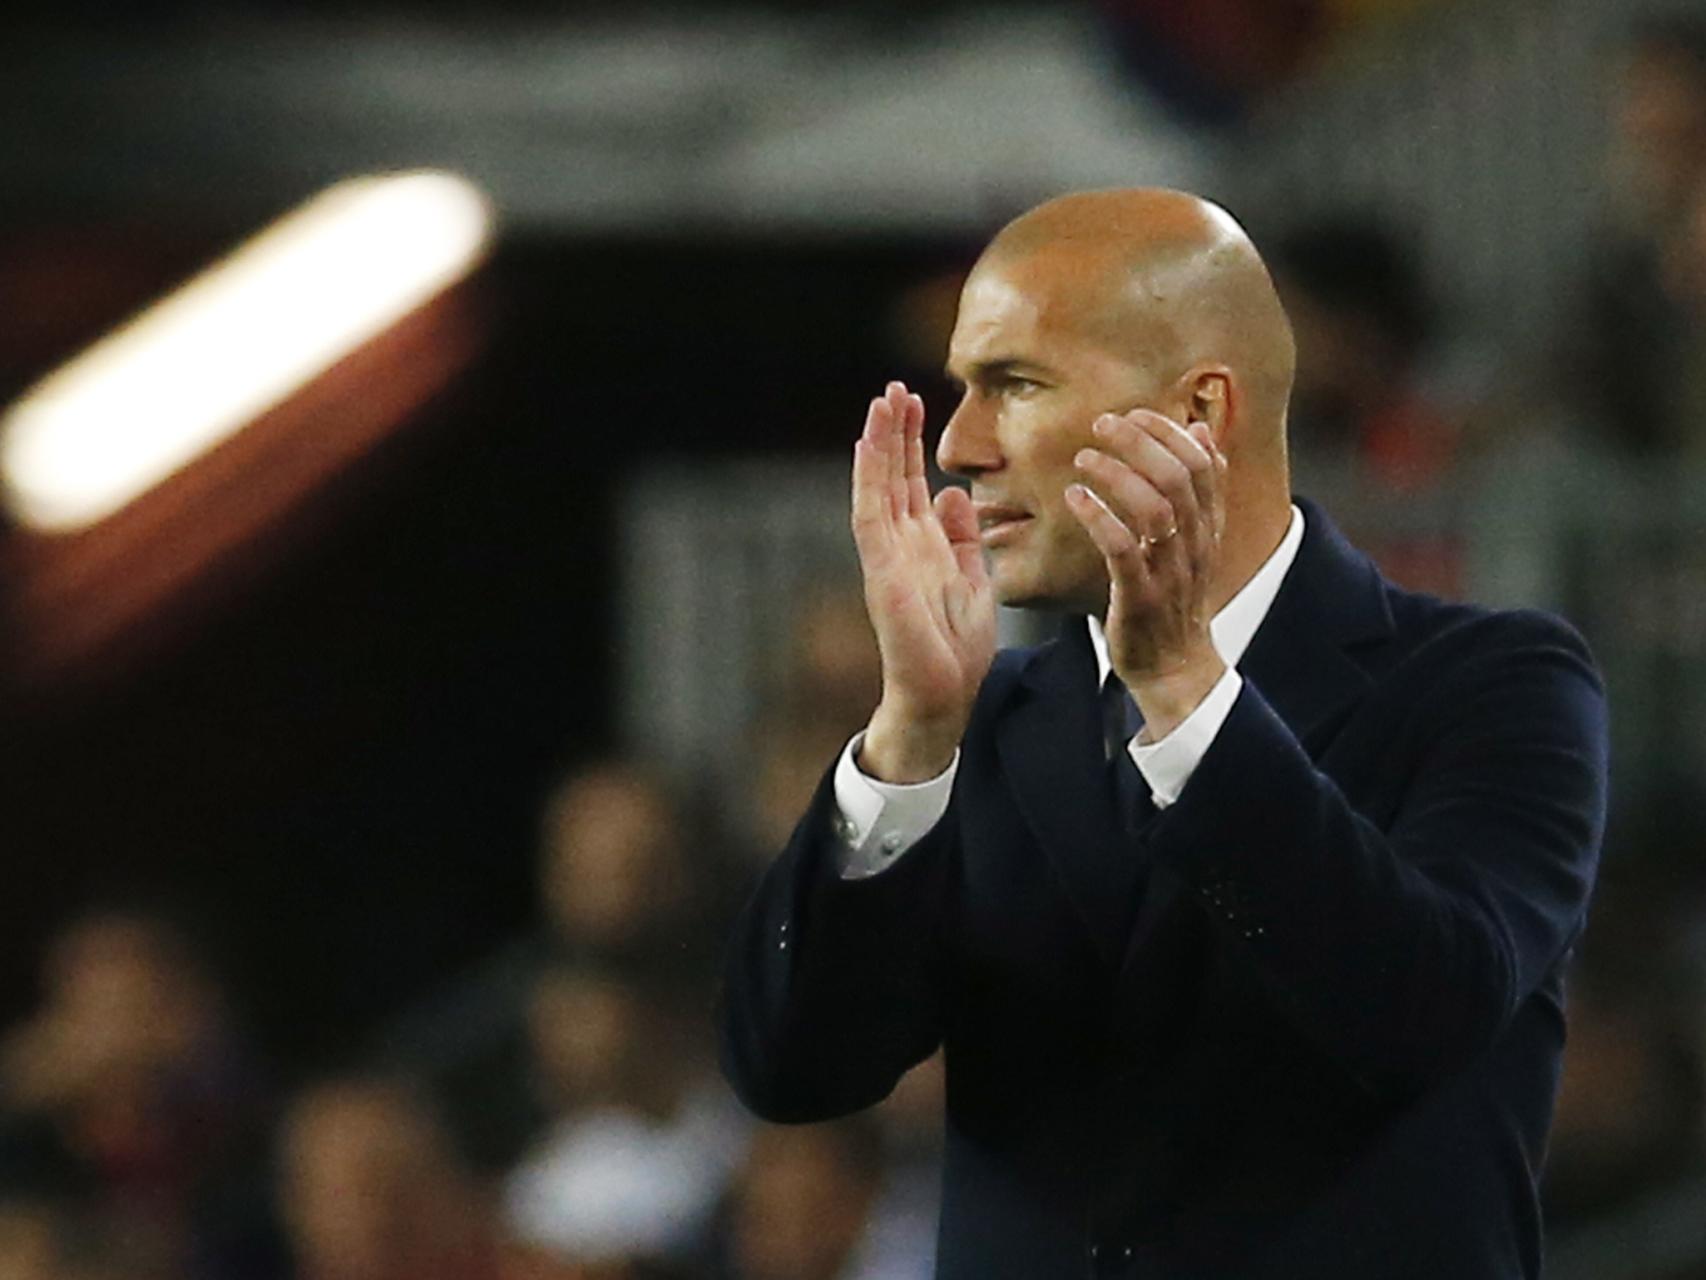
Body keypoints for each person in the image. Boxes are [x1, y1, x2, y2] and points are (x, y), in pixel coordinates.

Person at [716, 189, 1609, 1278]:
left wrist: (1185, 692)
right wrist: (905, 737)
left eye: (1015, 384)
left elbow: (1422, 1012)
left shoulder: (1494, 683)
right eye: (961, 389)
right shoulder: (975, 727)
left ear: (1198, 412)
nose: (959, 444)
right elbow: (793, 1069)